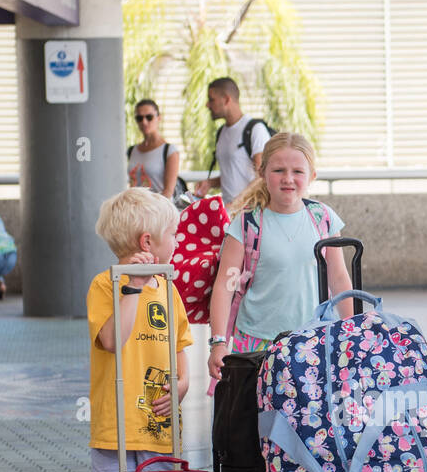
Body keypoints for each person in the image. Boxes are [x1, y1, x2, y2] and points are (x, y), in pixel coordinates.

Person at [206, 131, 353, 383]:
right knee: (255, 421)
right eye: (278, 171)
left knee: (305, 420)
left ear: (312, 176)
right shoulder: (246, 224)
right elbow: (224, 287)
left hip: (313, 342)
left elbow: (338, 278)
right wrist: (219, 342)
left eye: (297, 171)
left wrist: (352, 332)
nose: (288, 179)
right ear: (262, 173)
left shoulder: (323, 219)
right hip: (255, 345)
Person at [86, 188, 192, 472]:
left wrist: (182, 383)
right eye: (173, 234)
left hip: (159, 422)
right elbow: (111, 341)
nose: (177, 240)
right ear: (147, 241)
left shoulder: (168, 289)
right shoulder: (105, 285)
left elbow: (179, 345)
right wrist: (133, 288)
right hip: (116, 426)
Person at [195, 77, 272, 207]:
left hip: (251, 211)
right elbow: (233, 173)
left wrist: (238, 201)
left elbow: (262, 176)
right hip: (229, 212)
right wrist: (210, 183)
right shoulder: (221, 133)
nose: (207, 105)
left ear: (226, 99)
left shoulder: (255, 129)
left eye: (211, 100)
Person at [126, 99, 182, 199]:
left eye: (149, 117)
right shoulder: (132, 151)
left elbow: (168, 192)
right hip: (136, 211)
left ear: (158, 118)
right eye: (139, 118)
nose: (144, 122)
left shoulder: (169, 150)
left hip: (159, 211)